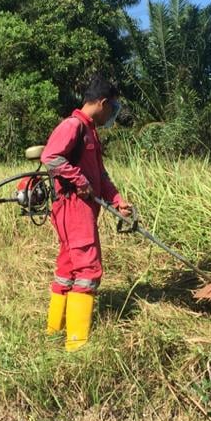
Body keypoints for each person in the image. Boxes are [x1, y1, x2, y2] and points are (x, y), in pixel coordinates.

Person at [40, 75, 132, 352]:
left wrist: (117, 201)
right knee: (89, 269)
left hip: (83, 208)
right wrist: (79, 181)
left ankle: (55, 330)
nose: (112, 114)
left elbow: (99, 175)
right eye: (113, 108)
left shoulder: (90, 131)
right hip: (72, 207)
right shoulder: (73, 125)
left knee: (69, 268)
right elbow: (51, 157)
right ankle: (77, 345)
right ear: (103, 103)